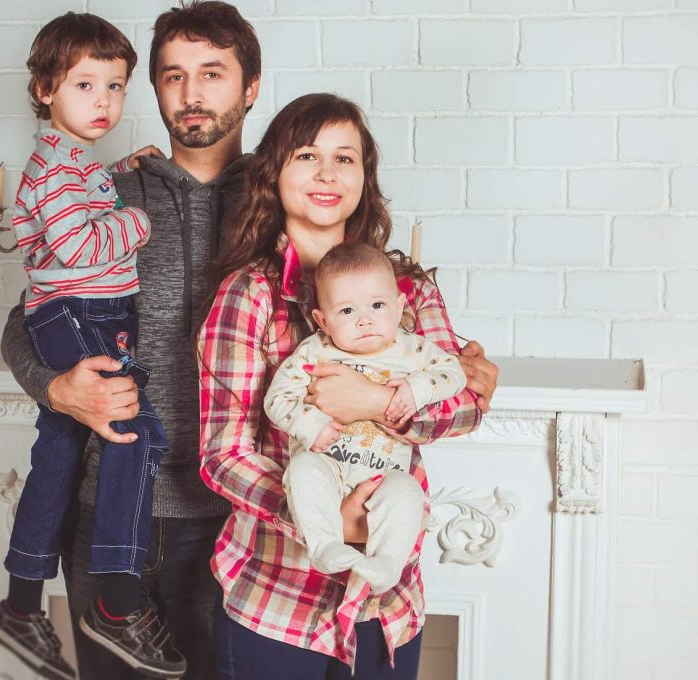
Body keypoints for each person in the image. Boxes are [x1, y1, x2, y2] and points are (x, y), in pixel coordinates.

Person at [0, 3, 263, 678]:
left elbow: (354, 308)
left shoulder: (284, 197)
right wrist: (56, 388)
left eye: (213, 73)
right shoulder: (108, 189)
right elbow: (25, 319)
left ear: (251, 87)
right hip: (108, 509)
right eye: (173, 76)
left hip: (235, 518)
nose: (192, 92)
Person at [198, 93, 495, 680]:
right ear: (274, 174)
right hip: (277, 593)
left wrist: (380, 403)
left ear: (365, 175)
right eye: (307, 155)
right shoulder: (248, 294)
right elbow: (222, 454)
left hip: (389, 603)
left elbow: (464, 404)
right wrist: (327, 518)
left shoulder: (407, 289)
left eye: (345, 157)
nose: (328, 173)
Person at [0, 12, 185, 680]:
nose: (104, 101)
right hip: (78, 317)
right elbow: (78, 243)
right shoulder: (53, 168)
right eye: (85, 85)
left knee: (60, 458)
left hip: (83, 313)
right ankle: (117, 598)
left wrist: (122, 170)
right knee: (137, 435)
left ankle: (19, 603)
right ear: (44, 88)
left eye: (116, 87)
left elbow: (80, 200)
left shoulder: (74, 163)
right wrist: (137, 220)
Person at [264, 242, 467, 595]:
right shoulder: (315, 351)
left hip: (383, 473)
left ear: (400, 306)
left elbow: (455, 374)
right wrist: (311, 425)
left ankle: (387, 562)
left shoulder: (412, 350)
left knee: (407, 492)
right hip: (328, 465)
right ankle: (325, 545)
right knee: (303, 472)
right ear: (322, 321)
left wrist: (417, 389)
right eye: (346, 310)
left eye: (377, 305)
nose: (365, 319)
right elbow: (276, 399)